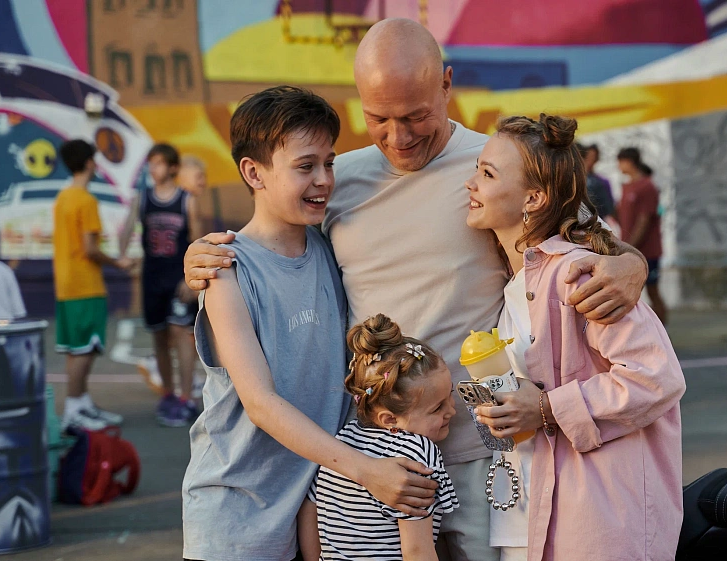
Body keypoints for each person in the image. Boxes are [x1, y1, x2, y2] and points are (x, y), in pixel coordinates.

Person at [183, 18, 649, 561]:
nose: (398, 136)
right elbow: (275, 231)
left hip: (480, 448)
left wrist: (633, 266)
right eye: (378, 118)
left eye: (415, 116)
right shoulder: (337, 179)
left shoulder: (497, 169)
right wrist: (203, 257)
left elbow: (595, 240)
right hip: (373, 461)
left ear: (446, 84)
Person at [181, 86, 440, 561]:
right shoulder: (224, 270)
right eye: (305, 167)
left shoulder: (328, 246)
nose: (323, 180)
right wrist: (367, 471)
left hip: (317, 512)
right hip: (238, 517)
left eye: (329, 163)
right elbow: (260, 404)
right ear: (253, 172)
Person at [467, 113, 686, 560]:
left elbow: (655, 377)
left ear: (534, 197)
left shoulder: (577, 275)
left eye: (487, 174)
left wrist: (547, 408)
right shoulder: (517, 281)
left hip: (594, 523)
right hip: (524, 519)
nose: (470, 184)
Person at [302, 314, 459, 561]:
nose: (452, 411)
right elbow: (417, 551)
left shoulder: (341, 442)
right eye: (437, 408)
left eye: (450, 395)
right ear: (389, 419)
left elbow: (310, 509)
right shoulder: (416, 451)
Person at [119, 143, 202, 427]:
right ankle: (168, 394)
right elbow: (127, 227)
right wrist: (122, 254)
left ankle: (187, 398)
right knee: (159, 337)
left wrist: (192, 279)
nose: (153, 169)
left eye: (158, 163)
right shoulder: (142, 199)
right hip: (152, 279)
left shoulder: (186, 200)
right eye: (151, 164)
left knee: (182, 334)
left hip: (178, 281)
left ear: (173, 167)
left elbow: (197, 241)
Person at [53, 139, 132, 431]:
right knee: (85, 351)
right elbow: (89, 248)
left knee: (76, 350)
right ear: (88, 162)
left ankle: (81, 403)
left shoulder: (63, 198)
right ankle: (74, 409)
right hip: (85, 286)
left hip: (66, 285)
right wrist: (118, 263)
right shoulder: (86, 201)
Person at [617, 147, 667, 324]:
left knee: (652, 290)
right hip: (629, 250)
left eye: (620, 162)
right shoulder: (627, 186)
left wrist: (629, 246)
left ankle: (663, 330)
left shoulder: (647, 186)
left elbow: (644, 220)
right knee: (627, 291)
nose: (618, 166)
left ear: (629, 162)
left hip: (647, 251)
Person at [578, 143, 617, 224]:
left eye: (593, 157)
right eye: (588, 156)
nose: (590, 160)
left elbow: (608, 208)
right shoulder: (572, 180)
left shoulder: (601, 182)